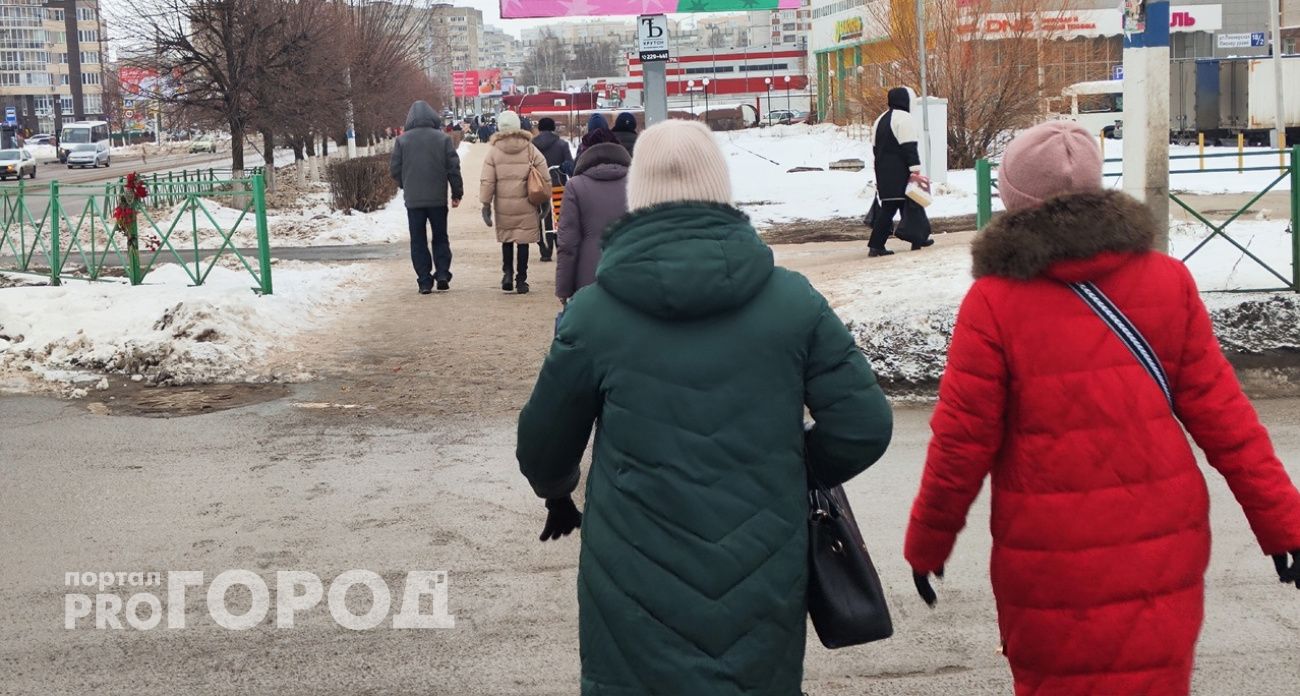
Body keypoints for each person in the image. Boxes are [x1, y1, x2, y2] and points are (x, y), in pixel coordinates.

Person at [904, 121, 1300, 696]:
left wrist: (928, 542)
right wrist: (1284, 523)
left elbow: (960, 445)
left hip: (1048, 557)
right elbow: (1228, 420)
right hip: (1165, 546)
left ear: (1013, 198)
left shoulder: (993, 301)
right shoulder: (1168, 281)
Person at [516, 120, 894, 695]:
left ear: (639, 196)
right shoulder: (793, 302)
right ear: (721, 188)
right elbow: (863, 424)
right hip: (761, 569)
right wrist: (797, 467)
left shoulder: (593, 316)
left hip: (632, 578)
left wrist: (558, 492)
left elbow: (543, 448)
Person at [389, 100, 463, 294]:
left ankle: (424, 280)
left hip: (413, 200)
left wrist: (406, 184)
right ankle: (442, 273)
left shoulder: (402, 141)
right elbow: (453, 168)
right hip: (437, 199)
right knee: (440, 236)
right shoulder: (443, 139)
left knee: (418, 240)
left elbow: (394, 169)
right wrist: (457, 193)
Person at [480, 110, 549, 295]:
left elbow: (487, 181)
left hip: (504, 205)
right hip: (527, 203)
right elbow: (544, 176)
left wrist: (485, 204)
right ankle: (521, 280)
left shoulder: (494, 151)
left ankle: (508, 274)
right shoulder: (530, 149)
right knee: (523, 241)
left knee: (507, 239)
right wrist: (545, 201)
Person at [554, 141, 629, 302]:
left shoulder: (575, 185)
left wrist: (563, 288)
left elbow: (568, 243)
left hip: (588, 276)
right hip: (631, 271)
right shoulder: (638, 183)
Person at [868, 87, 932, 257]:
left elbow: (875, 148)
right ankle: (877, 245)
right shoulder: (904, 118)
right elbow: (909, 146)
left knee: (902, 205)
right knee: (900, 206)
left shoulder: (880, 119)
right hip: (900, 171)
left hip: (883, 170)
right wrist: (915, 168)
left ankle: (919, 238)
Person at [532, 117, 574, 263]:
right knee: (559, 216)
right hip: (558, 184)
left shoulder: (532, 146)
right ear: (553, 128)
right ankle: (559, 245)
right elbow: (570, 165)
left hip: (538, 186)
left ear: (539, 128)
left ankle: (544, 248)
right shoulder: (562, 144)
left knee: (541, 216)